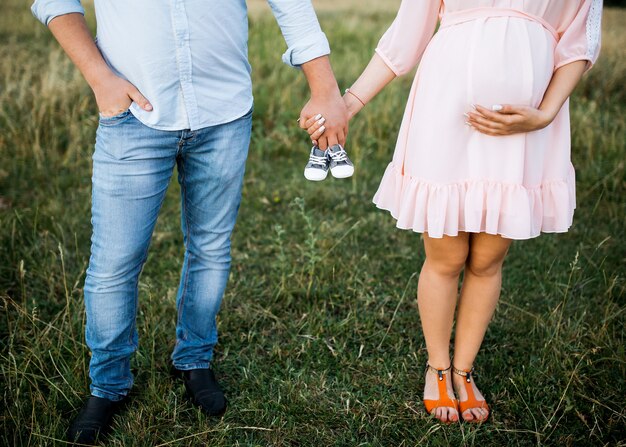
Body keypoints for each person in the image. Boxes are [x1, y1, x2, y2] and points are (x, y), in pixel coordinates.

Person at [31, 0, 348, 443]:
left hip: (225, 112)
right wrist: (99, 77)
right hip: (133, 115)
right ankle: (107, 385)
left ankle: (194, 358)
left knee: (211, 247)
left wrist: (325, 88)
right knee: (114, 263)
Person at [305, 0, 601, 424]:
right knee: (445, 256)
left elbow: (579, 40)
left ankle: (464, 371)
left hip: (522, 125)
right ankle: (438, 367)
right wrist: (347, 104)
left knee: (488, 258)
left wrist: (545, 114)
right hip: (446, 111)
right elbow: (407, 35)